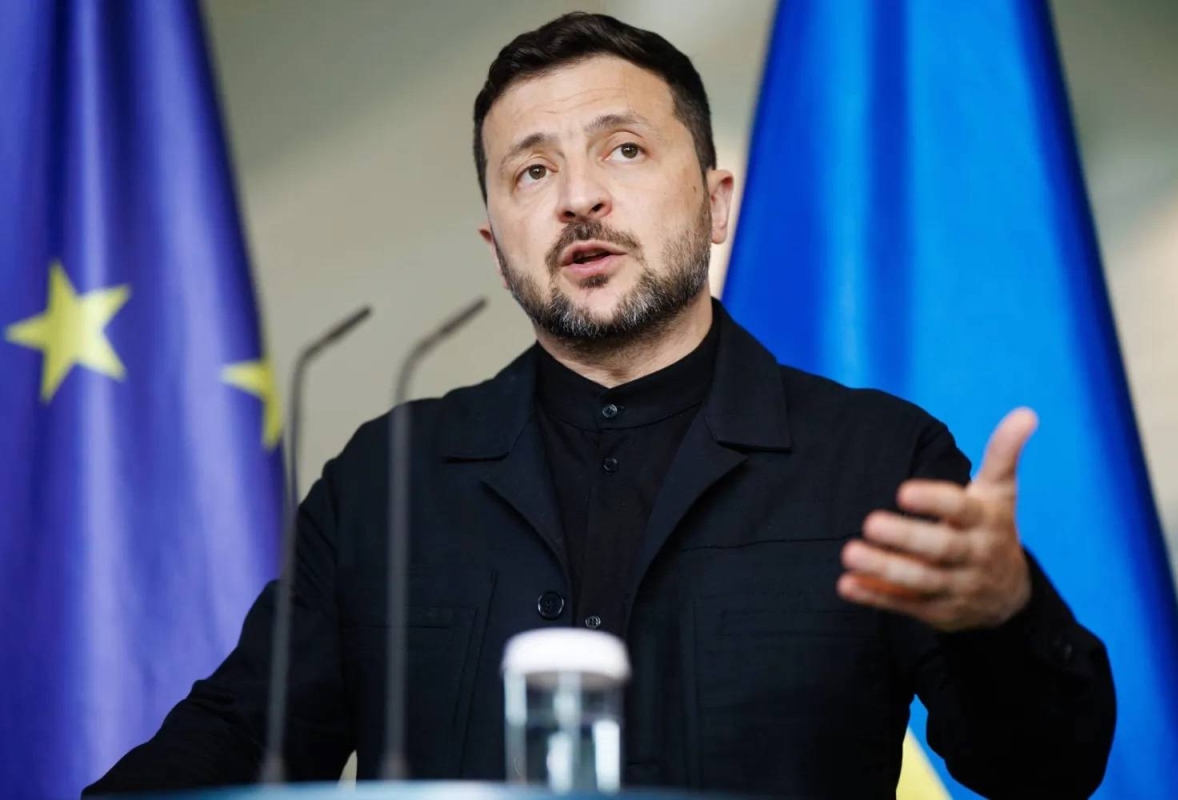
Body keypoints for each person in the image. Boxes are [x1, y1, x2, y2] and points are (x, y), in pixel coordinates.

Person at [87, 12, 1116, 798]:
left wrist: (1005, 616)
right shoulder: (386, 481)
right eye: (532, 170)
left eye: (623, 149)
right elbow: (239, 739)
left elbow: (1046, 771)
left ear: (716, 202)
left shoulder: (876, 457)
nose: (577, 197)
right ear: (497, 243)